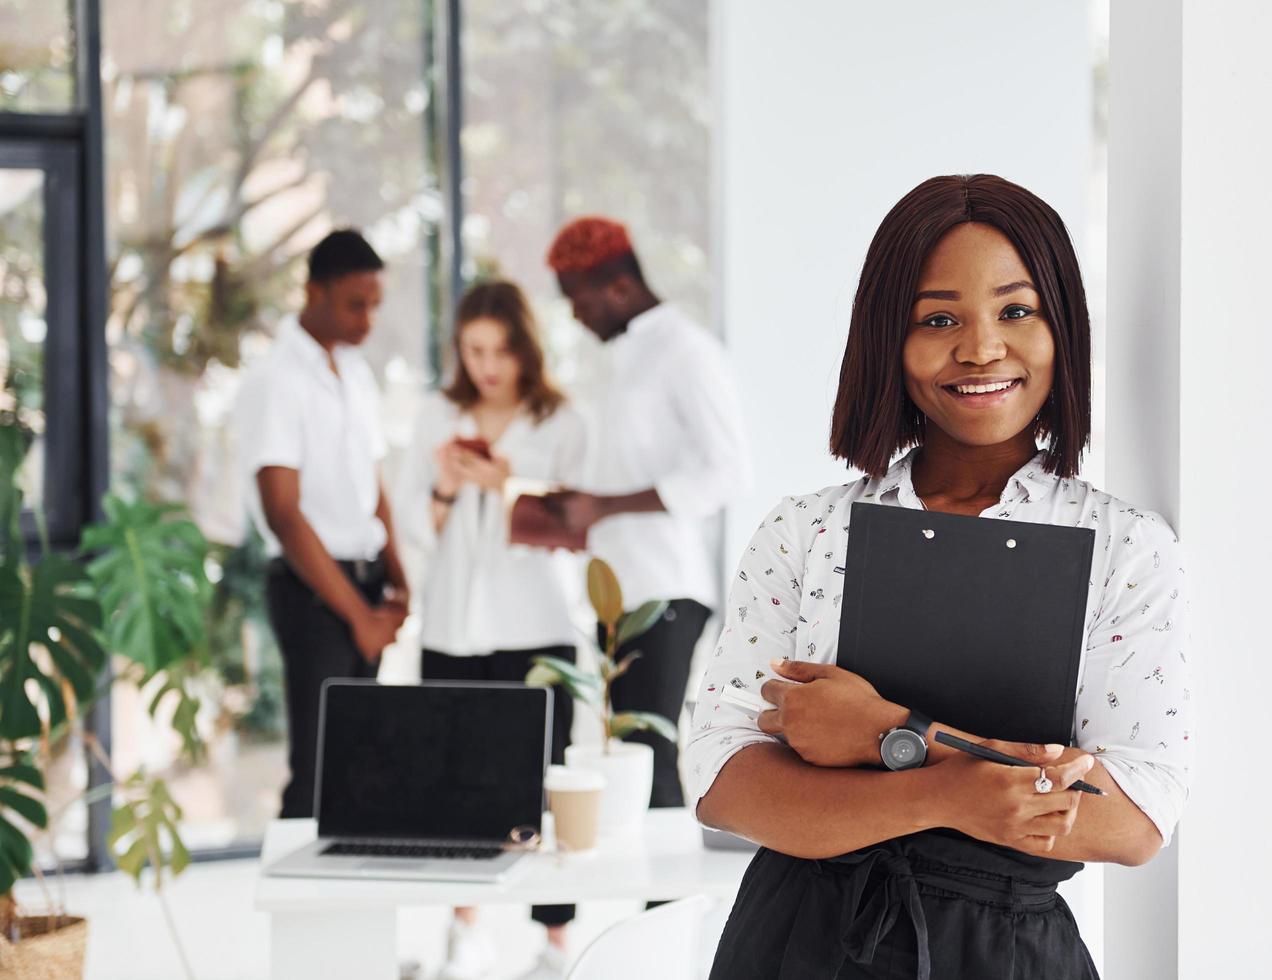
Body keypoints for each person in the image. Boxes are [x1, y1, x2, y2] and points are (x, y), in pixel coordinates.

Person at [689, 175, 1195, 979]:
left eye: (1015, 311)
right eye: (938, 319)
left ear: (1063, 326)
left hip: (1008, 954)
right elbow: (724, 781)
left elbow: (1131, 819)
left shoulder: (1123, 546)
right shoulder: (807, 531)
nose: (981, 348)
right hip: (797, 943)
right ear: (889, 338)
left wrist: (894, 735)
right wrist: (949, 790)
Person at [395, 280, 584, 980]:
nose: (488, 366)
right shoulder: (436, 415)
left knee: (546, 780)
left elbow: (573, 528)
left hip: (536, 625)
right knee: (454, 780)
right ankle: (464, 931)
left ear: (524, 347)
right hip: (451, 627)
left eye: (501, 349)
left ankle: (556, 944)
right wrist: (446, 486)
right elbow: (415, 528)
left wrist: (509, 482)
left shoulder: (559, 419)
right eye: (475, 351)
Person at [542, 217, 751, 812]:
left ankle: (672, 905)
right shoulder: (624, 360)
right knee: (625, 760)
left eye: (576, 300)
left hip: (666, 591)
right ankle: (650, 900)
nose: (575, 317)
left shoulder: (687, 351)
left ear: (615, 287)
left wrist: (603, 504)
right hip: (619, 591)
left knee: (647, 754)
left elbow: (729, 470)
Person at [236, 228, 410, 820]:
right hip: (313, 592)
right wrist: (358, 618)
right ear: (313, 292)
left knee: (359, 761)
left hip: (365, 581)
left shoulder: (355, 373)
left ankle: (352, 906)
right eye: (354, 304)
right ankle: (296, 910)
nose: (368, 319)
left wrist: (399, 580)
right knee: (316, 771)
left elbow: (373, 485)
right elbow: (283, 512)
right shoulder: (276, 378)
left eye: (375, 304)